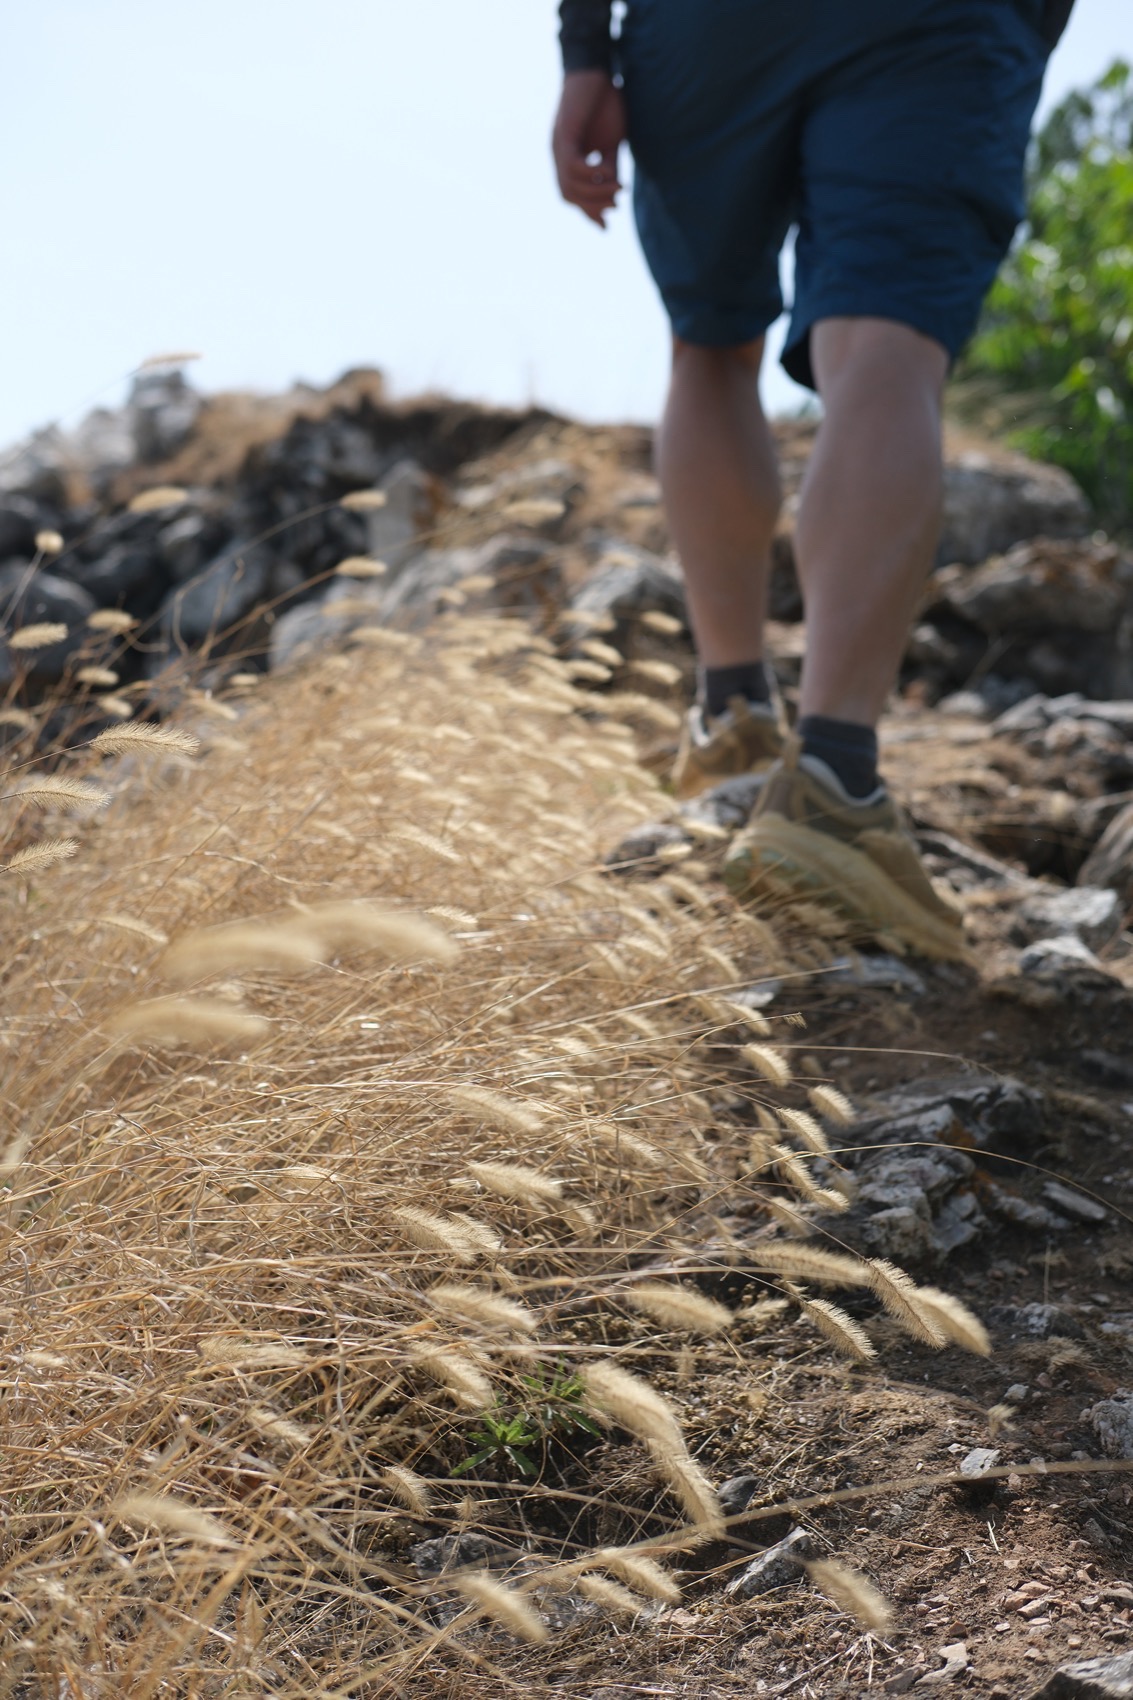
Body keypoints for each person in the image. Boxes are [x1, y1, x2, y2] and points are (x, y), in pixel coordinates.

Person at [552, 0, 1073, 961]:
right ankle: (831, 782)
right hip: (936, 26)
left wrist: (584, 50)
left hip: (706, 32)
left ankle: (734, 715)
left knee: (708, 347)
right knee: (884, 344)